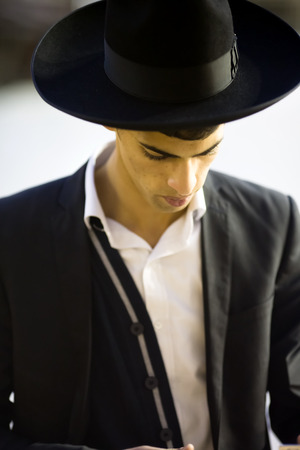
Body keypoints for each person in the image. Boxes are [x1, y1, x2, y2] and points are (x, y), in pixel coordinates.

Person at [0, 0, 300, 449]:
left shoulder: (274, 223)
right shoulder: (12, 237)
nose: (186, 181)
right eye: (157, 154)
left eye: (207, 151)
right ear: (108, 120)